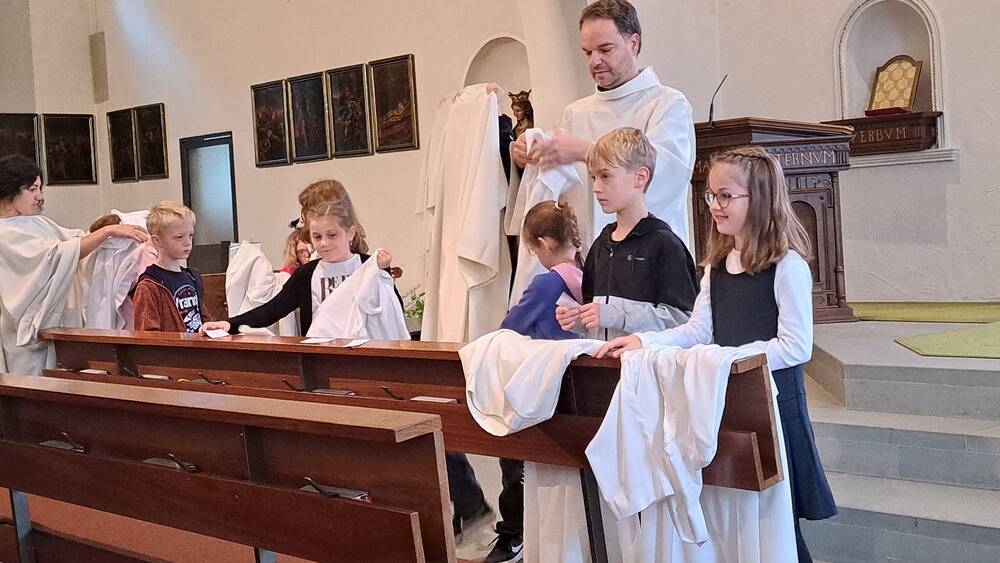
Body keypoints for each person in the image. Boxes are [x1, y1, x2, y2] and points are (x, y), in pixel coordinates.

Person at [597, 146, 837, 562]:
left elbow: (795, 346)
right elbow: (698, 331)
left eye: (726, 196)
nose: (714, 205)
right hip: (728, 400)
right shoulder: (718, 266)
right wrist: (646, 342)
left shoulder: (787, 266)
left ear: (758, 198)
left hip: (776, 406)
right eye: (710, 195)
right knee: (740, 515)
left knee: (781, 525)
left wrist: (729, 361)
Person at [512, 0, 696, 251]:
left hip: (650, 257)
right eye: (588, 52)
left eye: (605, 49)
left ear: (633, 43)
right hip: (589, 257)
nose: (594, 61)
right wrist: (528, 157)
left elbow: (665, 175)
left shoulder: (667, 104)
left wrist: (587, 151)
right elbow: (554, 191)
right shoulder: (575, 112)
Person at [0, 155, 147, 374]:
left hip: (58, 324)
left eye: (40, 189)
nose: (39, 197)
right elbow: (57, 255)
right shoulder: (5, 233)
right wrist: (106, 232)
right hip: (25, 332)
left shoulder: (37, 221)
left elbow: (75, 240)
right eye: (33, 189)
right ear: (11, 190)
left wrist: (112, 229)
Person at [556, 127, 697, 341]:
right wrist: (578, 319)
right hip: (603, 360)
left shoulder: (665, 244)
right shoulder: (601, 245)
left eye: (605, 176)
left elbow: (683, 321)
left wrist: (617, 316)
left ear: (640, 177)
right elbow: (596, 314)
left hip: (645, 361)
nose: (596, 188)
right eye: (594, 178)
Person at [199, 200, 394, 336]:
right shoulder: (307, 273)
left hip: (364, 352)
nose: (324, 243)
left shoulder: (368, 266)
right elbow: (273, 309)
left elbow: (391, 311)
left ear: (350, 233)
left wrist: (383, 272)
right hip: (320, 354)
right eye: (317, 237)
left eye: (332, 235)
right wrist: (230, 323)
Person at [132, 202, 212, 333]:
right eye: (179, 237)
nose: (187, 242)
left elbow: (204, 317)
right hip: (172, 345)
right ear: (157, 241)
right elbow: (147, 334)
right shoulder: (149, 285)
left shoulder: (192, 277)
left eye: (190, 235)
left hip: (198, 344)